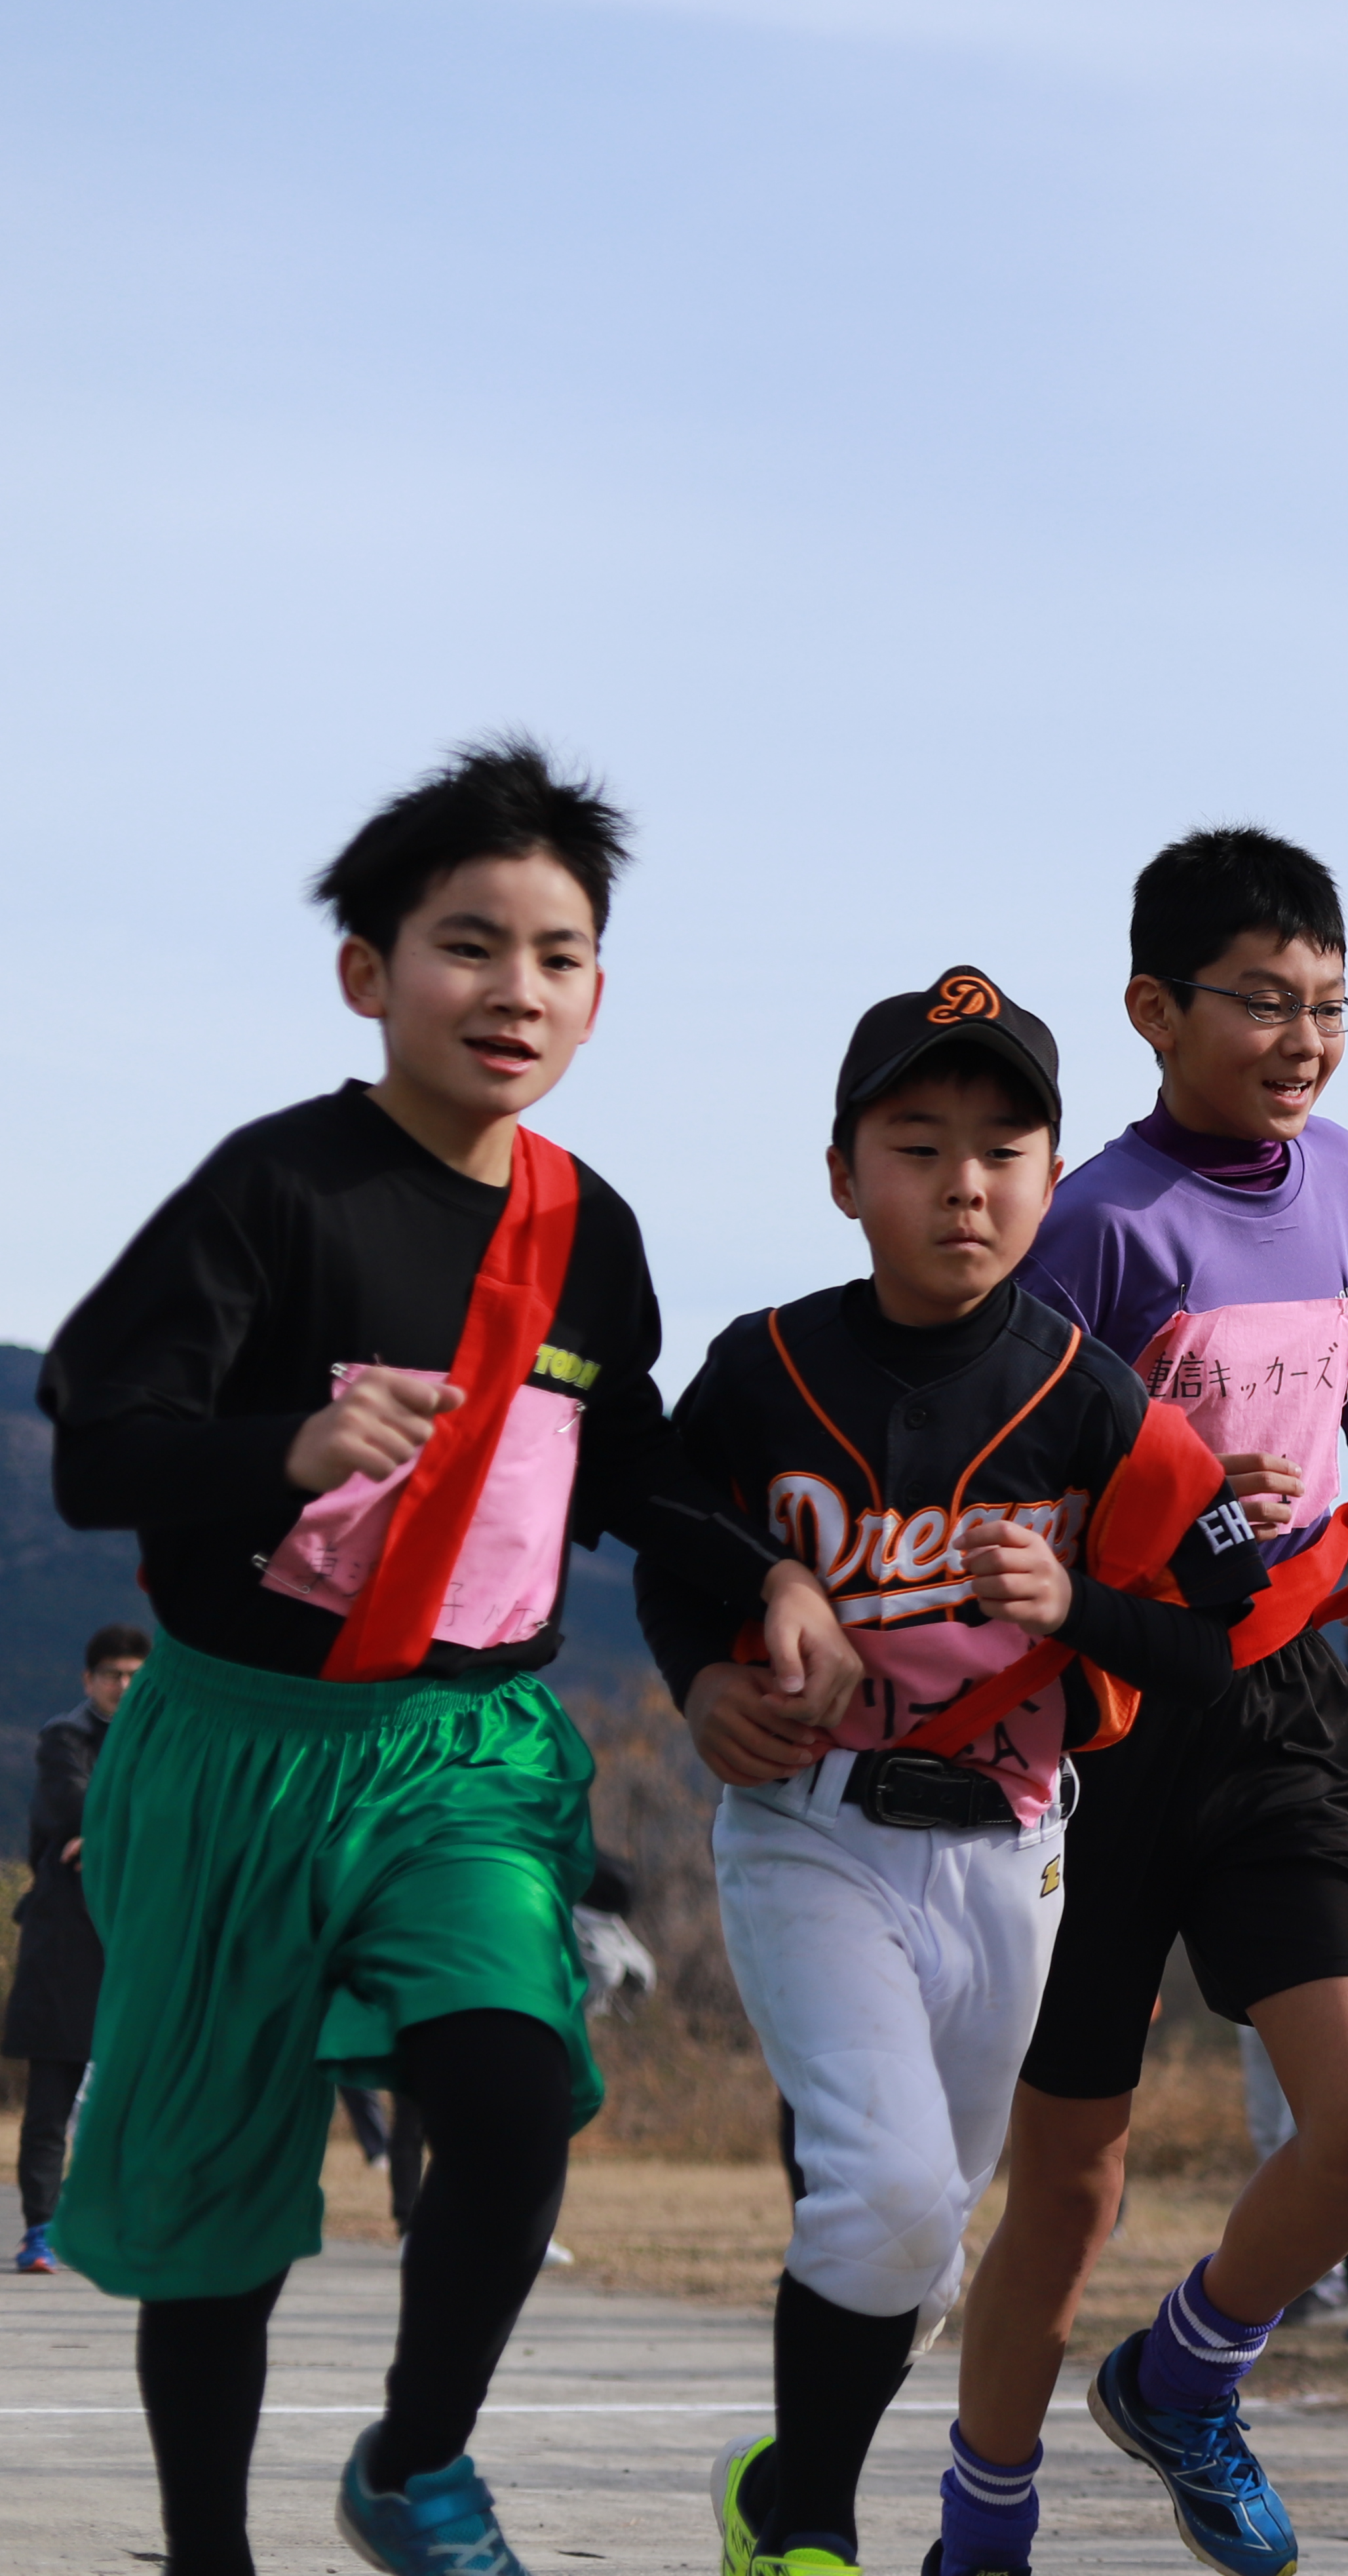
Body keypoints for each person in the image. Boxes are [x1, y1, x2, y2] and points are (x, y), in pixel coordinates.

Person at [35, 742, 858, 2576]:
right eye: (466, 944)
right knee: (220, 2187)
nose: (514, 989)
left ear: (598, 992)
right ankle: (205, 2555)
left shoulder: (588, 1231)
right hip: (239, 1750)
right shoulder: (274, 1195)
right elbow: (100, 1438)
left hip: (467, 1756)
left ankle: (415, 2460)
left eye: (556, 954)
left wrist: (756, 1587)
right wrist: (282, 1452)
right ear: (369, 971)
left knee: (507, 2082)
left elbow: (627, 1453)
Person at [638, 967, 1282, 2576]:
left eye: (1003, 1147)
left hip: (1013, 1851)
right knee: (883, 2191)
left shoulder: (1090, 1393)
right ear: (844, 1173)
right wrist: (704, 1672)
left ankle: (777, 2485)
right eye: (917, 1144)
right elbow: (661, 1527)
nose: (963, 1181)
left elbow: (1227, 1640)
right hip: (811, 1830)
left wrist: (1091, 1606)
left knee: (926, 2243)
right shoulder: (766, 1363)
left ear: (1053, 1178)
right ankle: (812, 2535)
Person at [945, 827, 1348, 2576]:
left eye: (1331, 1007)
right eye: (1265, 1005)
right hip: (1110, 1717)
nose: (1305, 1040)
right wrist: (1165, 1490)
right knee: (1070, 2188)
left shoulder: (1343, 1170)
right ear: (1156, 1009)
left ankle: (1186, 2374)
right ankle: (981, 2523)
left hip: (1294, 1697)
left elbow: (1343, 1337)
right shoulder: (1094, 1223)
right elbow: (1009, 1475)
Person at [9, 1624, 142, 2273]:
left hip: (138, 1940)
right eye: (114, 1673)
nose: (124, 1685)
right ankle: (40, 2227)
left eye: (135, 1675)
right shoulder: (66, 1737)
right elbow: (70, 1800)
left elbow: (185, 1811)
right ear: (88, 1680)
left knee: (140, 2094)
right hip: (65, 1942)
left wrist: (107, 1839)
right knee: (52, 2094)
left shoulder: (163, 1739)